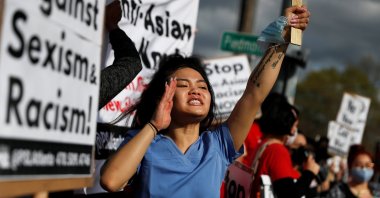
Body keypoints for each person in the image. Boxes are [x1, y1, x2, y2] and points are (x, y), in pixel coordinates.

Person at [100, 5, 311, 197]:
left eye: (202, 86)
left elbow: (254, 94)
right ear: (162, 96)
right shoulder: (145, 141)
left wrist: (281, 38)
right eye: (183, 85)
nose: (196, 91)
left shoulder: (218, 145)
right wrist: (153, 126)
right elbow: (110, 180)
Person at [250, 97, 320, 198]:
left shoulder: (264, 144)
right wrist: (309, 173)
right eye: (295, 126)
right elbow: (288, 194)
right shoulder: (277, 150)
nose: (294, 132)